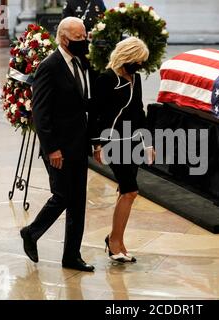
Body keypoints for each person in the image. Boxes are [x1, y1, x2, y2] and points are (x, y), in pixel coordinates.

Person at [19, 17, 97, 272]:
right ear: (63, 39)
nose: (83, 42)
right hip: (59, 148)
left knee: (78, 202)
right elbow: (40, 113)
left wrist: (95, 139)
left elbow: (85, 102)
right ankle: (31, 232)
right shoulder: (49, 67)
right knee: (62, 196)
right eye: (78, 38)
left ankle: (71, 256)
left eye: (85, 37)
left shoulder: (82, 62)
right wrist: (52, 148)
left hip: (79, 143)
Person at [92, 37, 152, 263]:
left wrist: (148, 142)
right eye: (138, 61)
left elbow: (139, 111)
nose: (140, 66)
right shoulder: (106, 79)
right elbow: (96, 114)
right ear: (127, 57)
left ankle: (117, 239)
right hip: (113, 141)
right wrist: (97, 143)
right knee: (130, 191)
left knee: (125, 192)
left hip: (134, 140)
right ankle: (114, 241)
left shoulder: (135, 78)